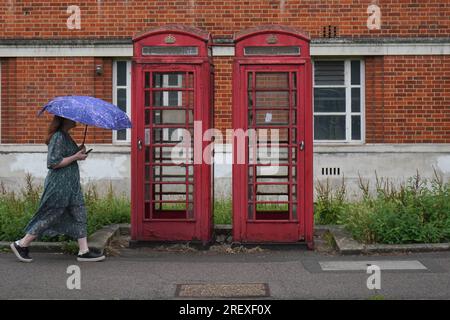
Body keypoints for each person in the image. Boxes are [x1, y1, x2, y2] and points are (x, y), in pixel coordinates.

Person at [10, 115, 105, 262]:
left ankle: (83, 251)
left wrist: (79, 152)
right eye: (72, 118)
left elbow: (68, 156)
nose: (76, 120)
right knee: (50, 215)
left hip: (71, 185)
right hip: (59, 185)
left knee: (80, 213)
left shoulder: (65, 136)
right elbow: (53, 162)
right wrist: (75, 157)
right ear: (64, 120)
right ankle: (21, 244)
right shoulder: (58, 136)